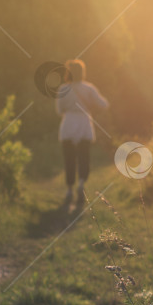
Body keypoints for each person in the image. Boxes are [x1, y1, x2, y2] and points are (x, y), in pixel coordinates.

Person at [55, 59, 109, 207]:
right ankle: (81, 184)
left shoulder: (62, 89)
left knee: (69, 159)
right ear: (82, 72)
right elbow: (104, 104)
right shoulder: (89, 88)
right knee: (84, 157)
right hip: (84, 123)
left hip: (68, 125)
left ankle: (69, 190)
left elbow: (59, 111)